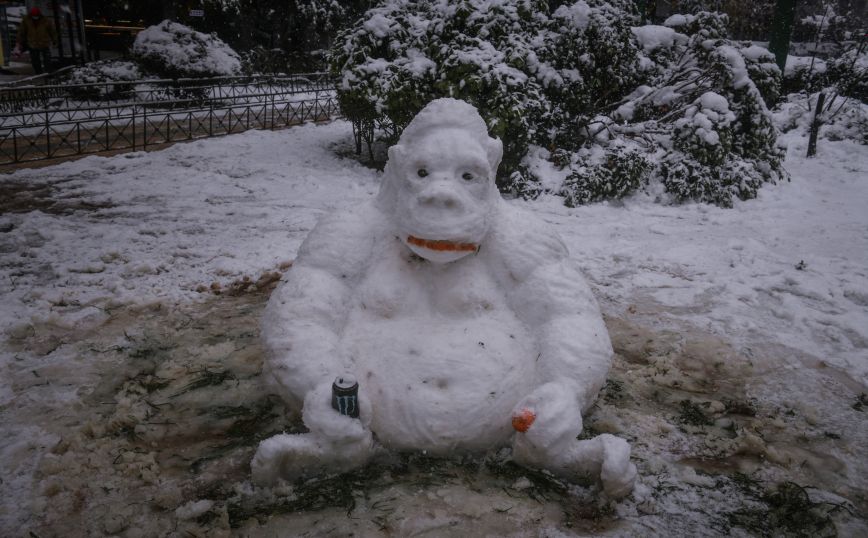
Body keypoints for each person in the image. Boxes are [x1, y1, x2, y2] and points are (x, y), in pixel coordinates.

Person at [14, 7, 57, 75]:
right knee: (35, 61)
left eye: (36, 16)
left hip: (44, 43)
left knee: (47, 60)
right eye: (34, 16)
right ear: (31, 15)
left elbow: (52, 31)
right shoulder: (26, 20)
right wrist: (19, 41)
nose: (35, 17)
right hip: (32, 43)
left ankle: (49, 73)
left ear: (39, 15)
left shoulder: (45, 20)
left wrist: (55, 40)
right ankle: (39, 73)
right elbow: (21, 32)